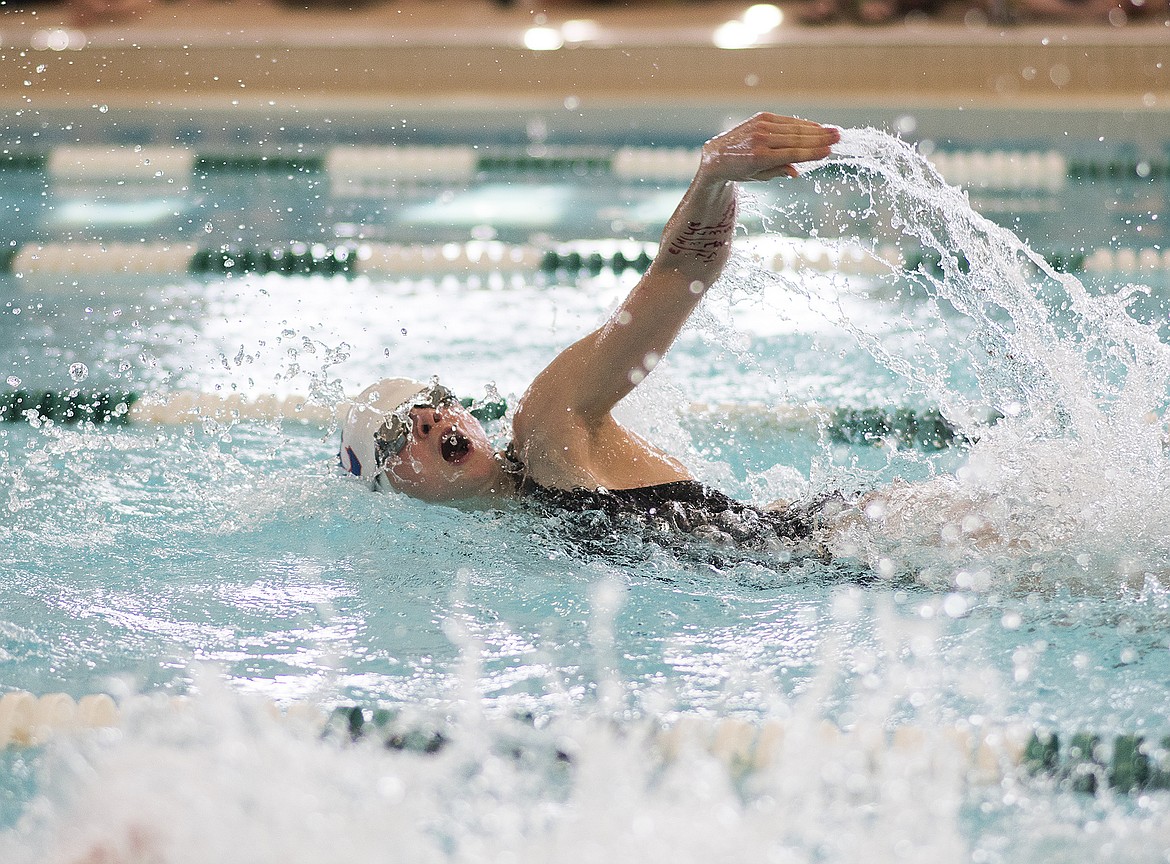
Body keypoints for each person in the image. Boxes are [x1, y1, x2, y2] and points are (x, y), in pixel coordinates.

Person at [340, 113, 847, 560]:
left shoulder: (546, 424)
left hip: (845, 540)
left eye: (434, 401)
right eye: (397, 434)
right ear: (391, 489)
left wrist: (713, 175)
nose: (429, 419)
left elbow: (679, 274)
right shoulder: (517, 536)